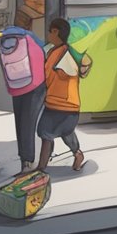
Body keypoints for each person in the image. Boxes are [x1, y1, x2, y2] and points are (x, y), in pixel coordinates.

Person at [37, 18, 90, 172]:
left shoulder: (67, 53)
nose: (48, 34)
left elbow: (81, 66)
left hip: (65, 104)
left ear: (56, 32)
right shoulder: (52, 51)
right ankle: (76, 154)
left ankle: (41, 168)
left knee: (47, 133)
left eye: (50, 31)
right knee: (59, 133)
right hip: (55, 102)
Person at [0, 12, 47, 174]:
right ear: (28, 24)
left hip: (16, 85)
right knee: (30, 122)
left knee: (20, 122)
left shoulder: (4, 39)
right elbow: (44, 52)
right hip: (34, 84)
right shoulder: (29, 37)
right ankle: (29, 161)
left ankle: (24, 160)